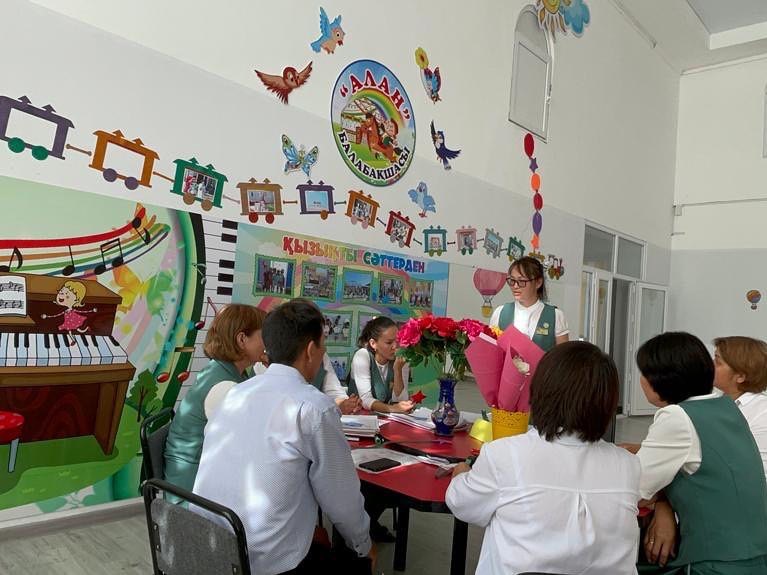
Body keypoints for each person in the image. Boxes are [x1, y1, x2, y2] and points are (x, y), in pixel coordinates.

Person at [193, 299, 375, 574]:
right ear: (311, 350)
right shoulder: (314, 408)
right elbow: (342, 501)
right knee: (359, 561)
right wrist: (363, 545)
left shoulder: (235, 393)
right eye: (323, 345)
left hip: (205, 545)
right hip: (265, 562)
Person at [446, 341, 640, 574]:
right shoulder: (628, 465)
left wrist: (460, 476)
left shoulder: (506, 454)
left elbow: (463, 505)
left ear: (541, 390)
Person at [628, 332, 767, 573]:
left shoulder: (677, 416)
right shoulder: (724, 407)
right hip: (750, 553)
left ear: (659, 379)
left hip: (716, 561)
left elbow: (635, 490)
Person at [163, 304, 266, 493]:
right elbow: (248, 445)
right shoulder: (224, 387)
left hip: (204, 478)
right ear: (242, 339)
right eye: (263, 335)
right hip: (192, 493)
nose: (268, 342)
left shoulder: (227, 370)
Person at [713, 336, 767, 476]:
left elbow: (758, 472)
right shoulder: (714, 398)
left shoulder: (762, 413)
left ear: (740, 377)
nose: (710, 365)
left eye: (717, 362)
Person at [489, 256, 568, 350]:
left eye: (521, 281)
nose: (515, 286)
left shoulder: (555, 315)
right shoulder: (500, 312)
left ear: (538, 283)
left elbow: (563, 356)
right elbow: (491, 350)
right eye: (512, 280)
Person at [253, 352, 362, 415]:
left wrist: (347, 403)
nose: (324, 348)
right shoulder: (266, 361)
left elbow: (333, 390)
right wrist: (335, 407)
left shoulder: (320, 356)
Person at [348, 316, 413, 414]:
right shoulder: (362, 356)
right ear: (373, 343)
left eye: (397, 341)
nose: (395, 346)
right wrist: (392, 408)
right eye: (389, 342)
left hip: (385, 418)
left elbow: (400, 401)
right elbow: (365, 399)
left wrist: (398, 370)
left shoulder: (401, 360)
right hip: (359, 417)